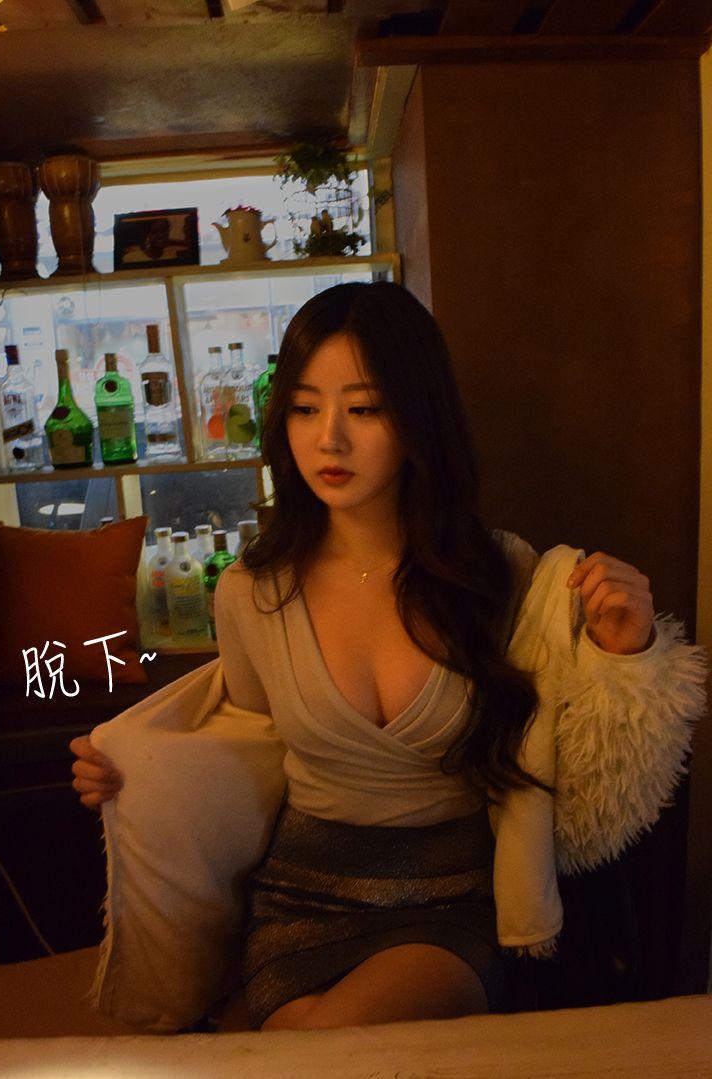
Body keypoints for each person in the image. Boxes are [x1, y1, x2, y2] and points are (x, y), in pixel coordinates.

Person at [70, 281, 707, 1034]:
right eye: (304, 408)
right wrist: (136, 771)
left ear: (418, 415)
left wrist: (625, 652)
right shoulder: (250, 591)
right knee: (307, 1051)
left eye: (365, 408)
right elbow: (246, 750)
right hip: (298, 898)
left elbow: (599, 776)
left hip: (451, 901)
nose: (328, 439)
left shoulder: (500, 574)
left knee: (322, 1047)